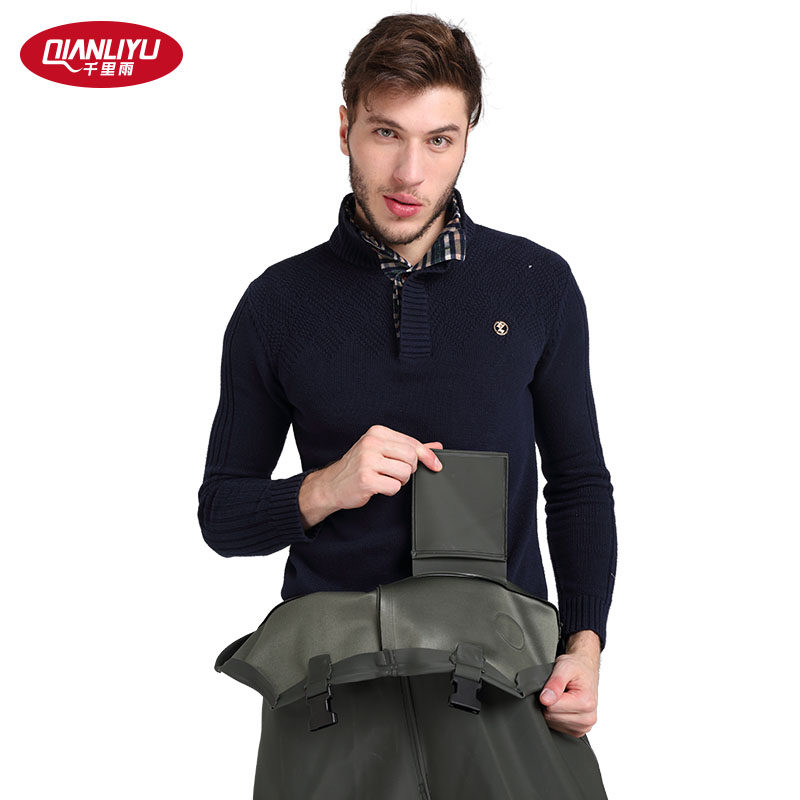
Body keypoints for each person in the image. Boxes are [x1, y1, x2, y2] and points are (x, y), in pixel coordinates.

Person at [198, 12, 617, 794]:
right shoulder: (277, 305)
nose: (410, 173)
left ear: (468, 138)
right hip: (329, 688)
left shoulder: (537, 286)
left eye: (439, 139)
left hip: (504, 673)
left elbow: (579, 484)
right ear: (346, 129)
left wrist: (584, 646)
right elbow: (221, 515)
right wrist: (327, 487)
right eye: (386, 133)